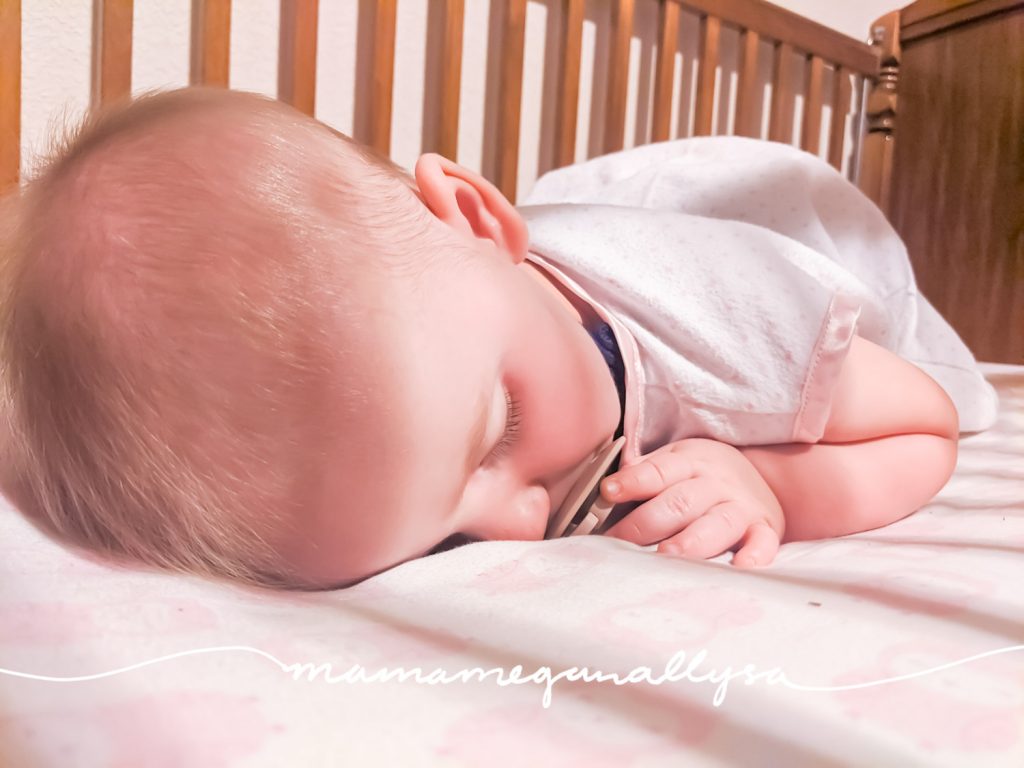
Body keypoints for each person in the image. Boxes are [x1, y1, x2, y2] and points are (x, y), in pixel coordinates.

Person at [0, 88, 997, 589]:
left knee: (907, 358)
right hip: (549, 256)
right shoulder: (464, 324)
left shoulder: (740, 325)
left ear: (475, 220)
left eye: (499, 425)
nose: (522, 526)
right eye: (444, 542)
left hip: (796, 236)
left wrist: (776, 482)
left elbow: (928, 427)